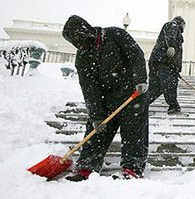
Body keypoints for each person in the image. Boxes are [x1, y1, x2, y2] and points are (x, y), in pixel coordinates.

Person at [62, 15, 149, 181]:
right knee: (96, 130)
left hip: (133, 93)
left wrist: (140, 80)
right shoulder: (82, 58)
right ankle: (86, 169)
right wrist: (96, 115)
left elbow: (136, 55)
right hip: (107, 97)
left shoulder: (115, 35)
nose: (78, 44)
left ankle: (132, 169)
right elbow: (89, 88)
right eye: (73, 42)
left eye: (78, 38)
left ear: (85, 30)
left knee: (133, 132)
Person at [148, 16, 185, 114]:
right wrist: (171, 45)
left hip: (158, 62)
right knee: (170, 84)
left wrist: (177, 70)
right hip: (164, 62)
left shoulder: (172, 28)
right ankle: (174, 106)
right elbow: (171, 34)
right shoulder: (173, 25)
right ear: (181, 23)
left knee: (155, 88)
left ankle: (141, 104)